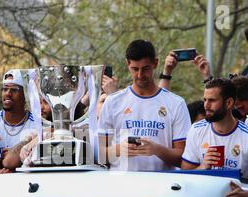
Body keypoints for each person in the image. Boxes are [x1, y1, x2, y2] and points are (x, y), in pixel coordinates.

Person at [98, 39, 191, 171]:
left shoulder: (176, 103)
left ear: (155, 63)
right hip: (122, 185)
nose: (140, 75)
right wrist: (119, 149)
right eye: (135, 69)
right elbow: (100, 154)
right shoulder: (113, 102)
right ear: (127, 64)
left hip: (161, 185)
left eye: (145, 69)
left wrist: (156, 149)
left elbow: (186, 158)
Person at [181, 78, 248, 177]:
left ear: (229, 103)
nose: (206, 105)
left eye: (212, 100)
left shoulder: (245, 135)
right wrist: (203, 167)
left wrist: (244, 192)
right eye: (205, 100)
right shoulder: (196, 130)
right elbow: (184, 175)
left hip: (236, 192)